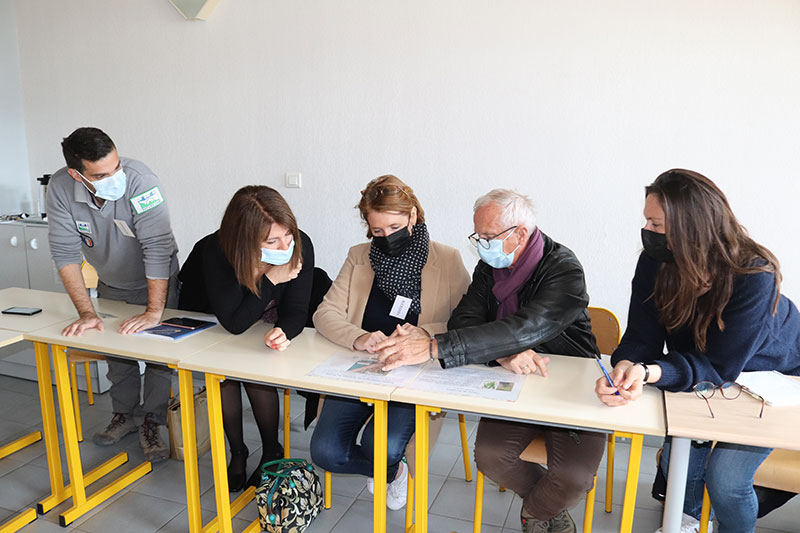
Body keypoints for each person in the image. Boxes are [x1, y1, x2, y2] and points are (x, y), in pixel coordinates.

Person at [378, 189, 605, 533]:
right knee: (490, 456)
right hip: (514, 379)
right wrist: (503, 353)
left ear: (520, 234)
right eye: (478, 236)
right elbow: (464, 320)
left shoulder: (564, 269)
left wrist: (434, 348)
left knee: (574, 476)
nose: (482, 245)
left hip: (567, 380)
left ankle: (536, 512)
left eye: (488, 237)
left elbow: (527, 327)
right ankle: (548, 508)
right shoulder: (490, 267)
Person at [594, 169, 800, 533]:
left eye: (656, 223)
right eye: (647, 220)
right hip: (707, 372)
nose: (647, 230)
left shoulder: (754, 275)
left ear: (690, 226)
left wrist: (650, 373)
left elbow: (720, 365)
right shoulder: (655, 262)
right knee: (679, 459)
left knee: (725, 479)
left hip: (772, 379)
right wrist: (625, 368)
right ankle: (683, 523)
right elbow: (641, 336)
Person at [310, 175, 470, 510]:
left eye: (395, 227)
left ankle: (386, 463)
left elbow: (468, 321)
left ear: (413, 215)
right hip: (361, 370)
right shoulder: (359, 256)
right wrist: (360, 337)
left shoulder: (447, 259)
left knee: (378, 445)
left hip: (416, 373)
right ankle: (392, 473)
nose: (387, 238)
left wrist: (422, 333)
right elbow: (325, 313)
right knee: (325, 452)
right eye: (378, 231)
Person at [46, 127, 179, 462]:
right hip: (111, 284)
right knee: (117, 358)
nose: (115, 177)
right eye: (103, 174)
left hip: (157, 282)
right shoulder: (61, 188)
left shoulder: (140, 180)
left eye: (116, 166)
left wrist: (153, 312)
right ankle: (125, 415)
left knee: (158, 358)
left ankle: (152, 421)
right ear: (77, 174)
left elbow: (157, 248)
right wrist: (87, 311)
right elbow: (65, 254)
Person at [178, 185, 314, 491]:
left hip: (263, 317)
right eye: (272, 241)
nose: (284, 247)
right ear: (246, 239)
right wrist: (271, 279)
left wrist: (285, 332)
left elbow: (296, 309)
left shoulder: (299, 244)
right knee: (225, 376)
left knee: (258, 373)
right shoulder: (217, 249)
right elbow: (234, 322)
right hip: (214, 318)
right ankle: (237, 451)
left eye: (288, 236)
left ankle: (271, 450)